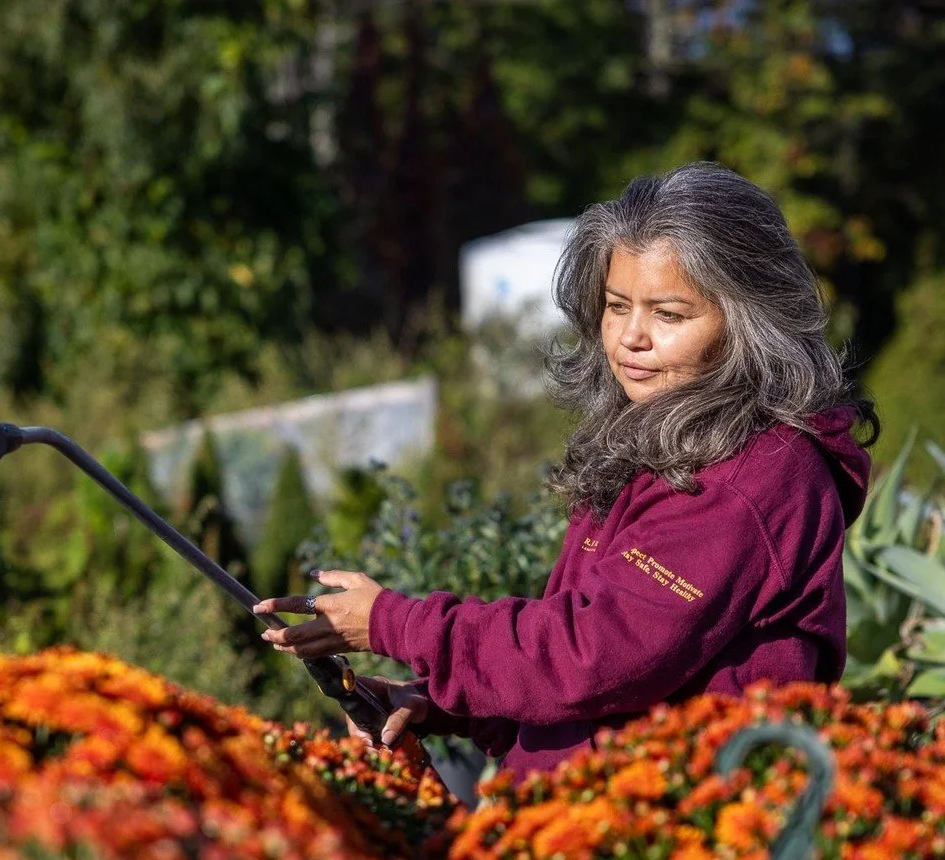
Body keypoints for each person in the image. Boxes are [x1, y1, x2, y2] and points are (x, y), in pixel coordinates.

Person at [254, 162, 876, 781]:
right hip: (594, 813)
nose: (631, 336)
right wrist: (440, 704)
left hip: (668, 839)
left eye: (669, 314)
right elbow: (597, 690)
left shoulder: (754, 475)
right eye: (616, 306)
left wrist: (397, 623)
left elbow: (594, 653)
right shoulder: (659, 441)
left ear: (751, 325)